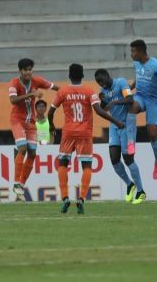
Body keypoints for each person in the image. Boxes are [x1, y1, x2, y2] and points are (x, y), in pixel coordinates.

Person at [49, 63, 123, 214]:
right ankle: (81, 199)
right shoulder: (90, 91)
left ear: (69, 75)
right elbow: (99, 111)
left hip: (68, 132)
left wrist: (51, 126)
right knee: (87, 167)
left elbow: (50, 112)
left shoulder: (62, 91)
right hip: (85, 133)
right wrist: (116, 121)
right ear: (82, 76)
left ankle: (64, 198)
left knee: (63, 164)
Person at [8, 58, 59, 201]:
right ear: (20, 71)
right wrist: (31, 94)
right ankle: (16, 183)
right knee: (22, 148)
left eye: (30, 69)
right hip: (17, 120)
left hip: (31, 122)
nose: (28, 72)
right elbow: (12, 100)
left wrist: (67, 91)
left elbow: (53, 86)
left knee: (32, 153)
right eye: (25, 70)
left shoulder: (37, 81)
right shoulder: (14, 83)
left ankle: (20, 187)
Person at [95, 68, 145, 205]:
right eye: (98, 82)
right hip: (114, 125)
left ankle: (141, 191)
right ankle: (129, 185)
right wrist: (103, 101)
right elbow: (105, 109)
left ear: (107, 76)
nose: (101, 84)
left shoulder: (121, 82)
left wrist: (114, 102)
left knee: (128, 159)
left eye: (102, 80)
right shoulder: (104, 92)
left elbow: (130, 99)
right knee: (114, 158)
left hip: (127, 125)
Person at [125, 39, 157, 180]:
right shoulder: (136, 64)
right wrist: (129, 89)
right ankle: (131, 143)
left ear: (140, 51)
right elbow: (138, 78)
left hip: (153, 100)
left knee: (152, 133)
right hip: (140, 96)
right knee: (131, 106)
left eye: (133, 51)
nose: (131, 54)